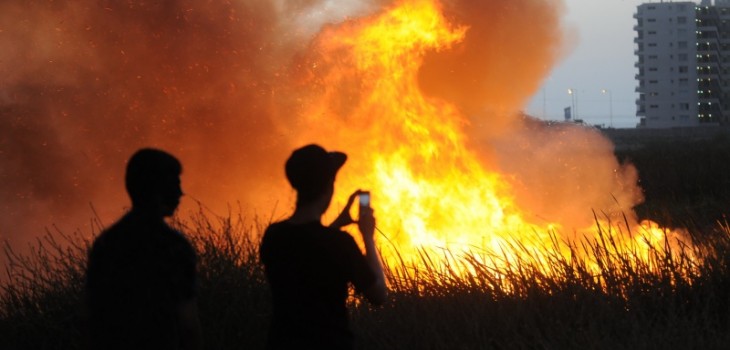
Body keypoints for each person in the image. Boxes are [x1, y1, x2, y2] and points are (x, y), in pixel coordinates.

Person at [260, 144, 388, 350]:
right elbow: (379, 294)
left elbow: (308, 246)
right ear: (329, 186)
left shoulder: (274, 236)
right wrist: (368, 237)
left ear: (296, 186)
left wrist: (336, 224)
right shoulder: (340, 243)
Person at [85, 148, 202, 350]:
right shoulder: (173, 246)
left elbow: (92, 315)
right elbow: (187, 323)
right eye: (175, 185)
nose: (180, 193)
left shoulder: (107, 243)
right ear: (157, 190)